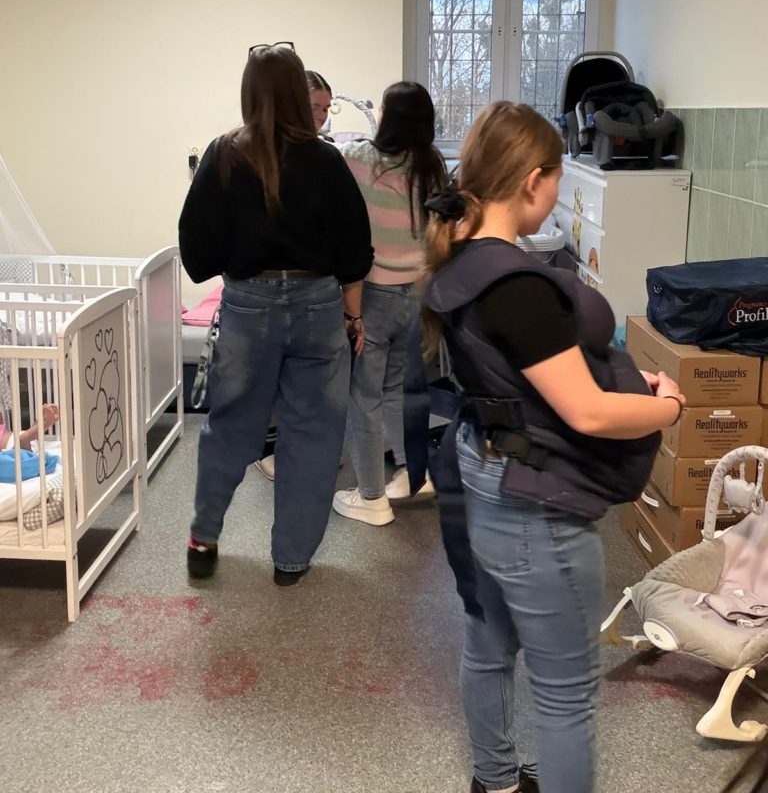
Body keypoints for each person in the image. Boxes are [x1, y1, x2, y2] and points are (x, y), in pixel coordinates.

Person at [418, 101, 686, 793]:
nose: (558, 193)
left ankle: (496, 779)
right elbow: (587, 412)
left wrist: (626, 378)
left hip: (483, 468)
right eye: (558, 178)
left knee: (488, 645)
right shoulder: (515, 286)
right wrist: (665, 407)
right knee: (567, 697)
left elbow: (523, 377)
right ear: (533, 179)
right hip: (533, 505)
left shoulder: (464, 261)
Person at [179, 43, 372, 586]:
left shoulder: (223, 154)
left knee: (230, 427)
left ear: (249, 92)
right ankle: (290, 561)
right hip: (318, 308)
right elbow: (355, 248)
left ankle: (203, 539)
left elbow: (196, 251)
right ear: (295, 93)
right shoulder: (326, 160)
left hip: (248, 307)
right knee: (312, 435)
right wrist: (354, 317)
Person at [332, 81, 446, 526]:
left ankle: (372, 497)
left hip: (373, 294)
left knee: (364, 395)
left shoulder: (359, 159)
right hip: (417, 293)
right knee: (396, 386)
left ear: (387, 116)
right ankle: (413, 472)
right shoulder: (432, 167)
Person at [254, 66, 338, 484]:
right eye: (314, 107)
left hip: (312, 285)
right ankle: (271, 450)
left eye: (326, 108)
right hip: (266, 284)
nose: (320, 116)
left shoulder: (325, 155)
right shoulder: (258, 153)